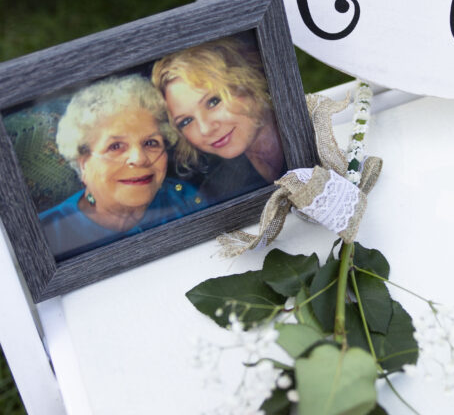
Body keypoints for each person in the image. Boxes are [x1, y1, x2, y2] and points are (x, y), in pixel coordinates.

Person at [39, 75, 205, 259]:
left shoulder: (185, 198)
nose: (139, 159)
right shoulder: (45, 234)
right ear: (84, 164)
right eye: (115, 146)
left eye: (151, 142)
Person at [151, 37, 285, 203]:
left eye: (213, 102)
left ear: (249, 81)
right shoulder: (217, 194)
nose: (205, 129)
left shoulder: (320, 127)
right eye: (185, 121)